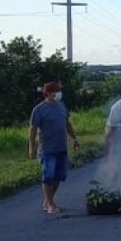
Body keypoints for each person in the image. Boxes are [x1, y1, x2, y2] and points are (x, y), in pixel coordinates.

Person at [29, 82, 80, 214]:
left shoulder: (61, 106)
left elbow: (66, 123)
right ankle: (50, 203)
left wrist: (74, 138)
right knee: (48, 175)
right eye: (55, 91)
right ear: (48, 94)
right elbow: (33, 129)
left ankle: (48, 199)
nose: (58, 94)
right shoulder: (39, 109)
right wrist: (31, 147)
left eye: (58, 91)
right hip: (46, 148)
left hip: (61, 147)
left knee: (60, 175)